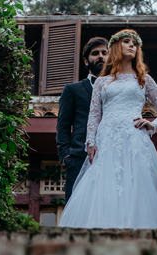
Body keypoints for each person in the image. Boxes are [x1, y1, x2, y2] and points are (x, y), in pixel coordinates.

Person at [59, 29, 157, 229]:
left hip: (134, 139)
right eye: (127, 41)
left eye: (135, 43)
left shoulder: (144, 79)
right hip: (107, 140)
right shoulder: (102, 82)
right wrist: (90, 142)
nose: (132, 45)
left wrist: (153, 124)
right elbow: (94, 115)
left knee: (135, 185)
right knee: (105, 186)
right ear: (116, 46)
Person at [56, 37, 109, 202]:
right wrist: (66, 156)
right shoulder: (72, 90)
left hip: (111, 156)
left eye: (104, 53)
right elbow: (63, 125)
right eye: (95, 53)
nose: (100, 56)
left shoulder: (117, 89)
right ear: (86, 61)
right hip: (79, 158)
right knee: (77, 207)